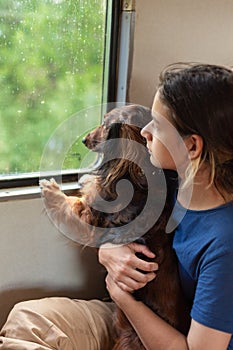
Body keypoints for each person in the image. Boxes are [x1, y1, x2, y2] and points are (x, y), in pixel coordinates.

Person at [0, 62, 233, 350]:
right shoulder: (168, 180)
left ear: (192, 147)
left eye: (157, 125)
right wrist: (109, 249)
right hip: (137, 312)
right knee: (28, 318)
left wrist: (121, 295)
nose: (145, 131)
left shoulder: (224, 243)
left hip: (173, 337)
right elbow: (112, 225)